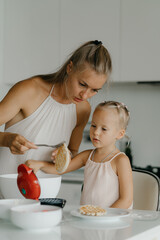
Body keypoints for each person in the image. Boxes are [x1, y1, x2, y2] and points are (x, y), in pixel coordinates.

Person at [0, 40, 112, 175]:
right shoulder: (29, 90)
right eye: (82, 84)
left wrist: (64, 155)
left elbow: (73, 151)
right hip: (7, 191)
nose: (85, 95)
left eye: (94, 90)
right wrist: (6, 139)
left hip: (48, 192)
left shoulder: (82, 109)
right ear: (70, 68)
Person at [26, 101, 133, 209]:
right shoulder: (87, 156)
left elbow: (126, 200)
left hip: (113, 220)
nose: (96, 132)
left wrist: (104, 215)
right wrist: (40, 164)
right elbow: (62, 169)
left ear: (120, 134)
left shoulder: (120, 160)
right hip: (88, 218)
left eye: (103, 129)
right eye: (93, 125)